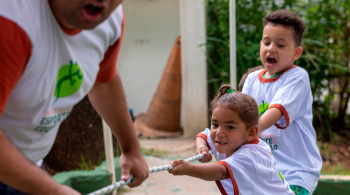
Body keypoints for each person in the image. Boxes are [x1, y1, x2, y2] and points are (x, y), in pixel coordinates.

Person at [0, 0, 148, 194]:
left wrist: (130, 148)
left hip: (27, 169)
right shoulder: (11, 22)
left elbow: (103, 79)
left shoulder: (110, 21)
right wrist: (54, 190)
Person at [242, 10, 322, 195]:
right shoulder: (252, 80)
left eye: (280, 44)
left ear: (296, 53)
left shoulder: (297, 77)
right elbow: (240, 115)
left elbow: (275, 112)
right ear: (260, 44)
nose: (271, 48)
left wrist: (245, 132)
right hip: (263, 170)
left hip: (296, 171)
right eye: (267, 42)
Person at [168, 84, 294, 195]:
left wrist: (189, 169)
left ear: (251, 132)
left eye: (229, 127)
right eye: (215, 124)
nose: (219, 132)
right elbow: (204, 135)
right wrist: (201, 146)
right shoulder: (228, 140)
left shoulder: (252, 155)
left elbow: (221, 172)